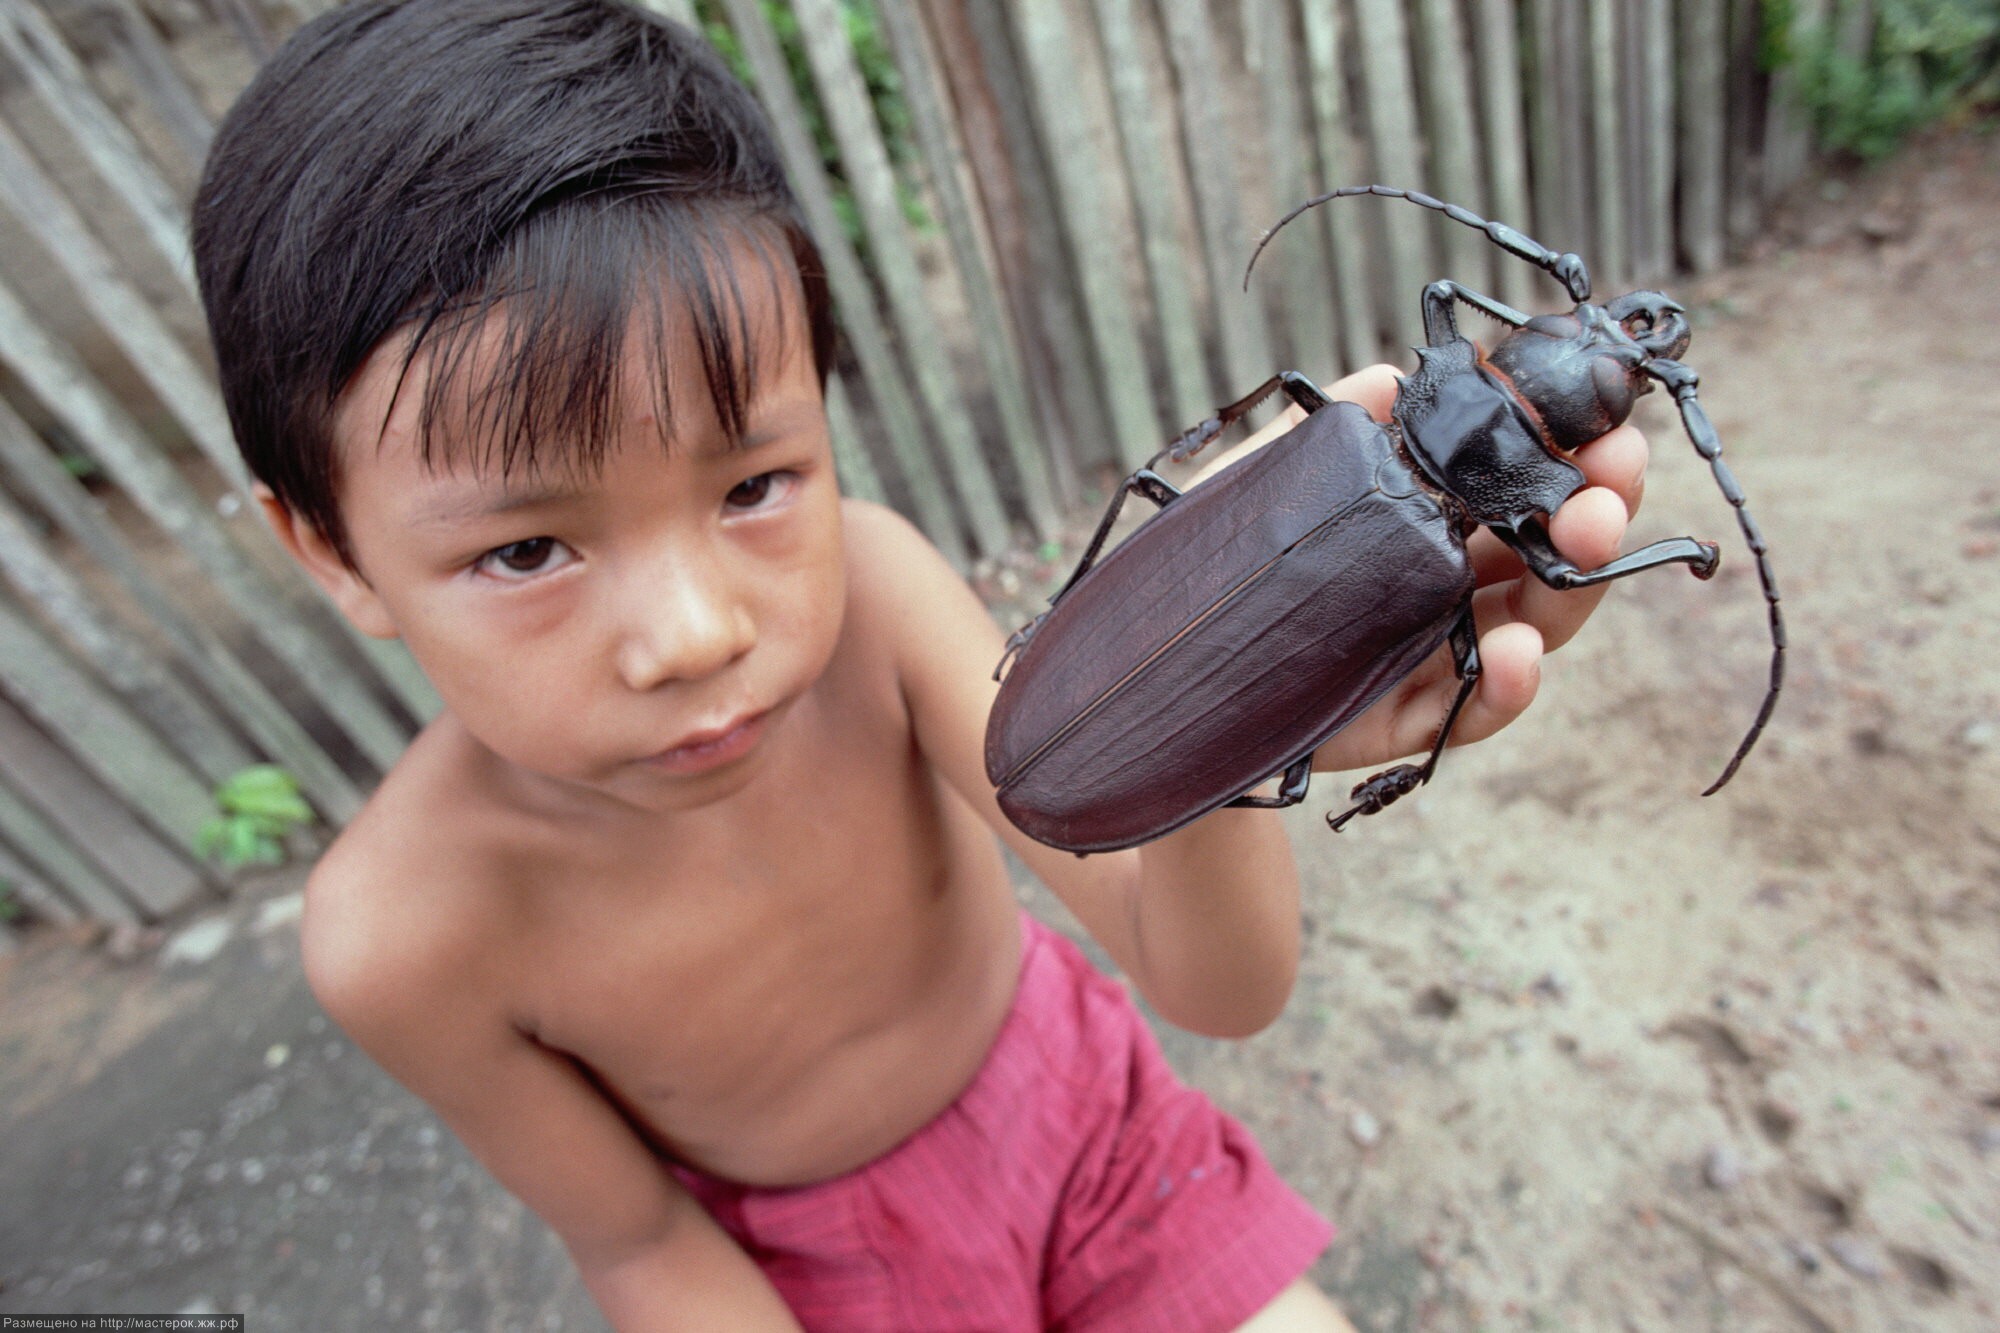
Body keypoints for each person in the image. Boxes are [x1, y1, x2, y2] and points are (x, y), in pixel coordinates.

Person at [191, 2, 1648, 1327]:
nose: (698, 631)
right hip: (824, 1288)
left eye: (753, 483)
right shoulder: (399, 937)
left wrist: (1228, 690)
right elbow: (637, 1243)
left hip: (1093, 1129)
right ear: (325, 545)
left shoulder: (877, 598)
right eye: (525, 552)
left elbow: (1213, 985)